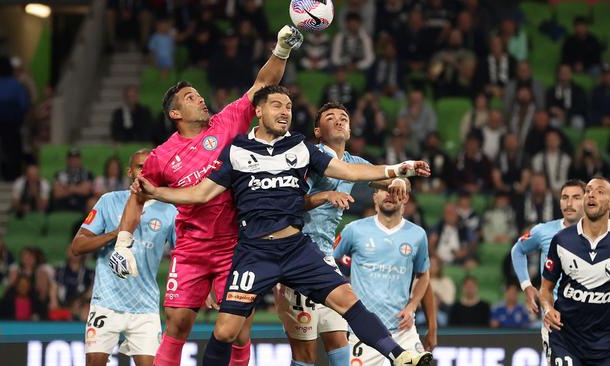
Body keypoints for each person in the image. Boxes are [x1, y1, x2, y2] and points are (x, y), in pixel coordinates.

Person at [131, 86, 433, 366]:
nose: (284, 111)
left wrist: (398, 169)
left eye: (288, 106)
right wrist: (157, 193)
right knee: (225, 332)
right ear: (259, 112)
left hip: (297, 249)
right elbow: (200, 193)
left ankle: (399, 355)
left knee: (348, 301)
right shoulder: (237, 150)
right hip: (255, 252)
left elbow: (349, 170)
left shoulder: (300, 147)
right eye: (276, 105)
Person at [110, 26, 304, 366]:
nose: (200, 99)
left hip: (235, 243)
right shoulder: (161, 155)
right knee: (178, 323)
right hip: (191, 249)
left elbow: (261, 86)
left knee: (239, 329)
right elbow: (138, 195)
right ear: (175, 114)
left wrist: (282, 50)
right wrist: (123, 242)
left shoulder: (226, 122)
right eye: (190, 98)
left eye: (199, 95)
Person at [276, 103, 436, 365]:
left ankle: (399, 356)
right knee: (305, 354)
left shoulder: (353, 162)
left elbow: (387, 177)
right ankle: (398, 355)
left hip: (325, 261)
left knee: (339, 341)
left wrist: (397, 181)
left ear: (350, 130)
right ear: (318, 130)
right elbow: (289, 203)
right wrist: (324, 195)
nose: (339, 121)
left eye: (344, 118)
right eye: (330, 117)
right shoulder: (307, 158)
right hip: (296, 257)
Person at [71, 149, 177, 366]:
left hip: (145, 306)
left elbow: (183, 253)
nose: (145, 171)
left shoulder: (169, 211)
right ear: (130, 172)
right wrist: (115, 233)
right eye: (140, 167)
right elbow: (77, 246)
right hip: (106, 303)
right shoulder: (109, 202)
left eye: (150, 167)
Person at [334, 179, 431, 366]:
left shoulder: (417, 235)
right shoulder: (354, 230)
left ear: (405, 198)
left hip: (403, 331)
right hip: (362, 333)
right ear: (374, 197)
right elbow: (331, 263)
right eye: (383, 190)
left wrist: (412, 306)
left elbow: (423, 274)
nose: (389, 194)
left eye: (395, 191)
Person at [540, 177, 610, 365]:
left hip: (605, 344)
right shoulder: (562, 240)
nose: (591, 195)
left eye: (600, 191)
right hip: (566, 338)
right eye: (588, 191)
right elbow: (545, 289)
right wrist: (548, 308)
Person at [511, 179, 585, 354]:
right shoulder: (544, 231)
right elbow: (517, 250)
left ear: (587, 200)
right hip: (555, 322)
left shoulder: (602, 236)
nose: (569, 203)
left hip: (591, 323)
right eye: (564, 197)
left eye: (576, 197)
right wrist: (526, 286)